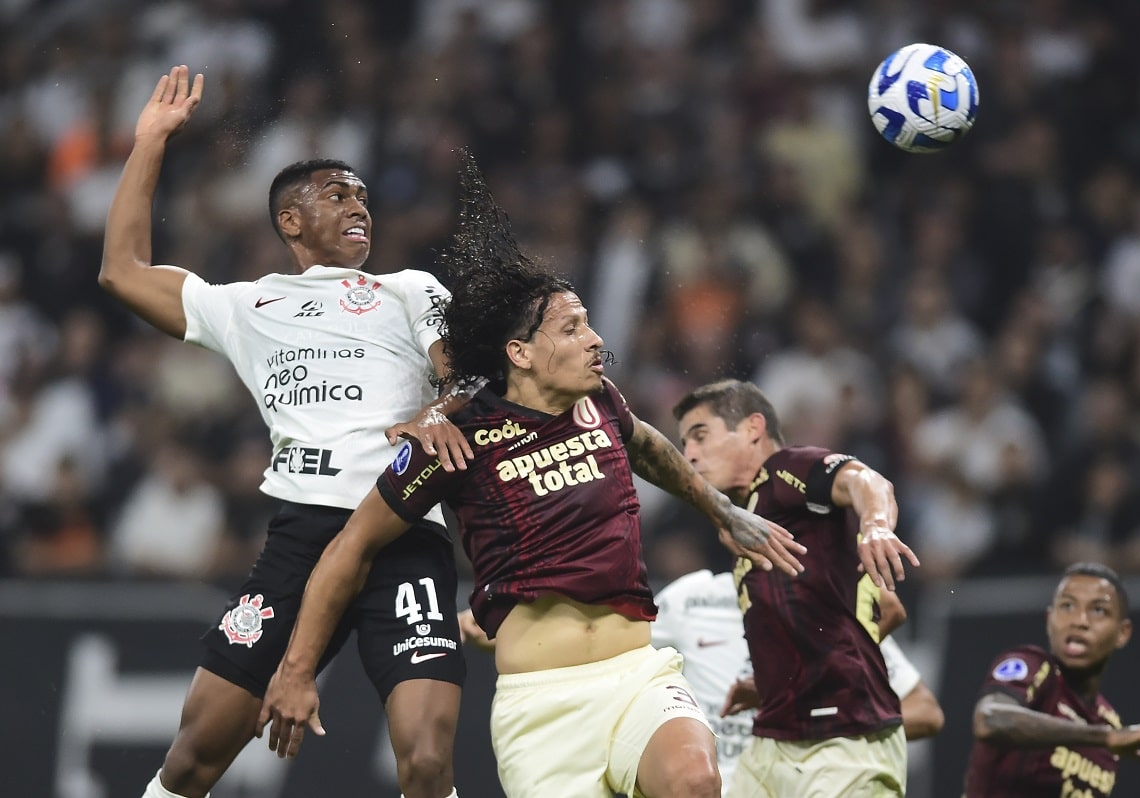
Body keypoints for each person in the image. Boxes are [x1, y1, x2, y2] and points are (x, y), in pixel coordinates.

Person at [255, 153, 807, 798]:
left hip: (639, 676)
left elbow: (647, 447)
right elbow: (351, 547)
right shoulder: (456, 439)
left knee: (693, 779)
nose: (596, 340)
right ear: (519, 353)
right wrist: (296, 669)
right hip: (543, 707)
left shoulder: (600, 403)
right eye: (573, 329)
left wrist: (720, 508)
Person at [100, 66, 473, 798]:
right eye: (338, 194)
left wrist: (437, 409)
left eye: (363, 195)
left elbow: (463, 377)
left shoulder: (408, 290)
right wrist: (149, 143)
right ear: (290, 221)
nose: (359, 204)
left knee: (427, 763)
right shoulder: (245, 306)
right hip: (303, 535)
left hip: (403, 532)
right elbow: (121, 271)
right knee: (194, 756)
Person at [672, 378, 920, 797]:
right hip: (773, 740)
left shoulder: (786, 471)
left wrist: (876, 524)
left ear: (753, 428)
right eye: (684, 443)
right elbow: (888, 608)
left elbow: (866, 481)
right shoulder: (746, 521)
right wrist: (784, 674)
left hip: (844, 739)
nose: (688, 454)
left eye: (700, 436)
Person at [650, 569, 944, 793]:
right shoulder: (692, 599)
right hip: (717, 787)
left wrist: (811, 710)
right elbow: (623, 662)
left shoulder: (827, 609)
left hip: (808, 786)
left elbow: (925, 712)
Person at [962, 562, 1140, 797]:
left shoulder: (1109, 722)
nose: (1079, 620)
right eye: (1067, 606)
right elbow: (990, 720)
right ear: (1050, 619)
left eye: (1098, 610)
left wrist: (1106, 735)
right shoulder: (1033, 667)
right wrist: (1103, 737)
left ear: (1123, 633)